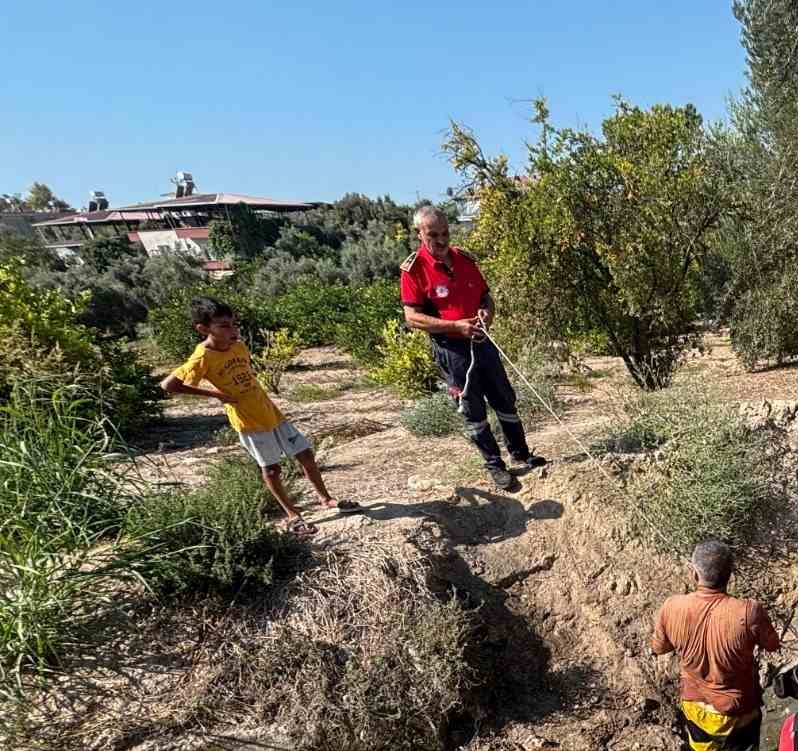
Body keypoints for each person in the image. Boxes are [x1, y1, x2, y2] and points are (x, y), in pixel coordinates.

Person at [161, 297, 353, 536]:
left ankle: (326, 499)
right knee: (271, 469)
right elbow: (169, 385)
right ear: (203, 329)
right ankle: (292, 515)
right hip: (248, 420)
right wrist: (215, 394)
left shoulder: (239, 346)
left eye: (233, 323)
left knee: (305, 454)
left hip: (270, 411)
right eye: (223, 326)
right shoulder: (202, 357)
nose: (232, 330)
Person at [400, 204, 544, 492]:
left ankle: (521, 453)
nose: (441, 240)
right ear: (419, 234)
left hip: (482, 341)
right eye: (433, 235)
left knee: (504, 398)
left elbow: (486, 298)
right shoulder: (414, 270)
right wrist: (456, 327)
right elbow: (412, 317)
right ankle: (495, 466)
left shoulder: (464, 260)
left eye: (444, 233)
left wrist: (487, 315)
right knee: (472, 409)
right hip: (452, 351)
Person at [651, 539, 781, 751]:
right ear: (730, 575)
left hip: (695, 704)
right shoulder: (749, 611)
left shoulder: (672, 606)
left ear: (693, 574)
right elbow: (773, 645)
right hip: (738, 711)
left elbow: (659, 647)